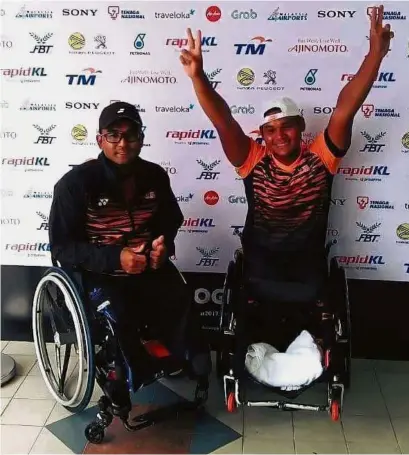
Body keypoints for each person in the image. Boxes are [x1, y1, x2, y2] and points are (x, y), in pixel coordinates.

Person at [180, 6, 393, 303]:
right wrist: (198, 77)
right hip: (258, 273)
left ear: (301, 127)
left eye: (287, 127)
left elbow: (346, 106)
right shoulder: (253, 160)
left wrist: (375, 55)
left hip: (308, 276)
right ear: (262, 135)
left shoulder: (321, 157)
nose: (279, 136)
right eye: (271, 130)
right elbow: (223, 121)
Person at [49, 101, 211, 391]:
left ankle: (185, 359)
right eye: (114, 135)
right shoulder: (75, 185)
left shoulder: (155, 176)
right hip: (100, 274)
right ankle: (131, 371)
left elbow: (169, 220)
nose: (123, 143)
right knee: (119, 314)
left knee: (178, 296)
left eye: (131, 135)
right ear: (100, 139)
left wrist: (163, 247)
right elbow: (62, 248)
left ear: (141, 138)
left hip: (148, 268)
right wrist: (115, 259)